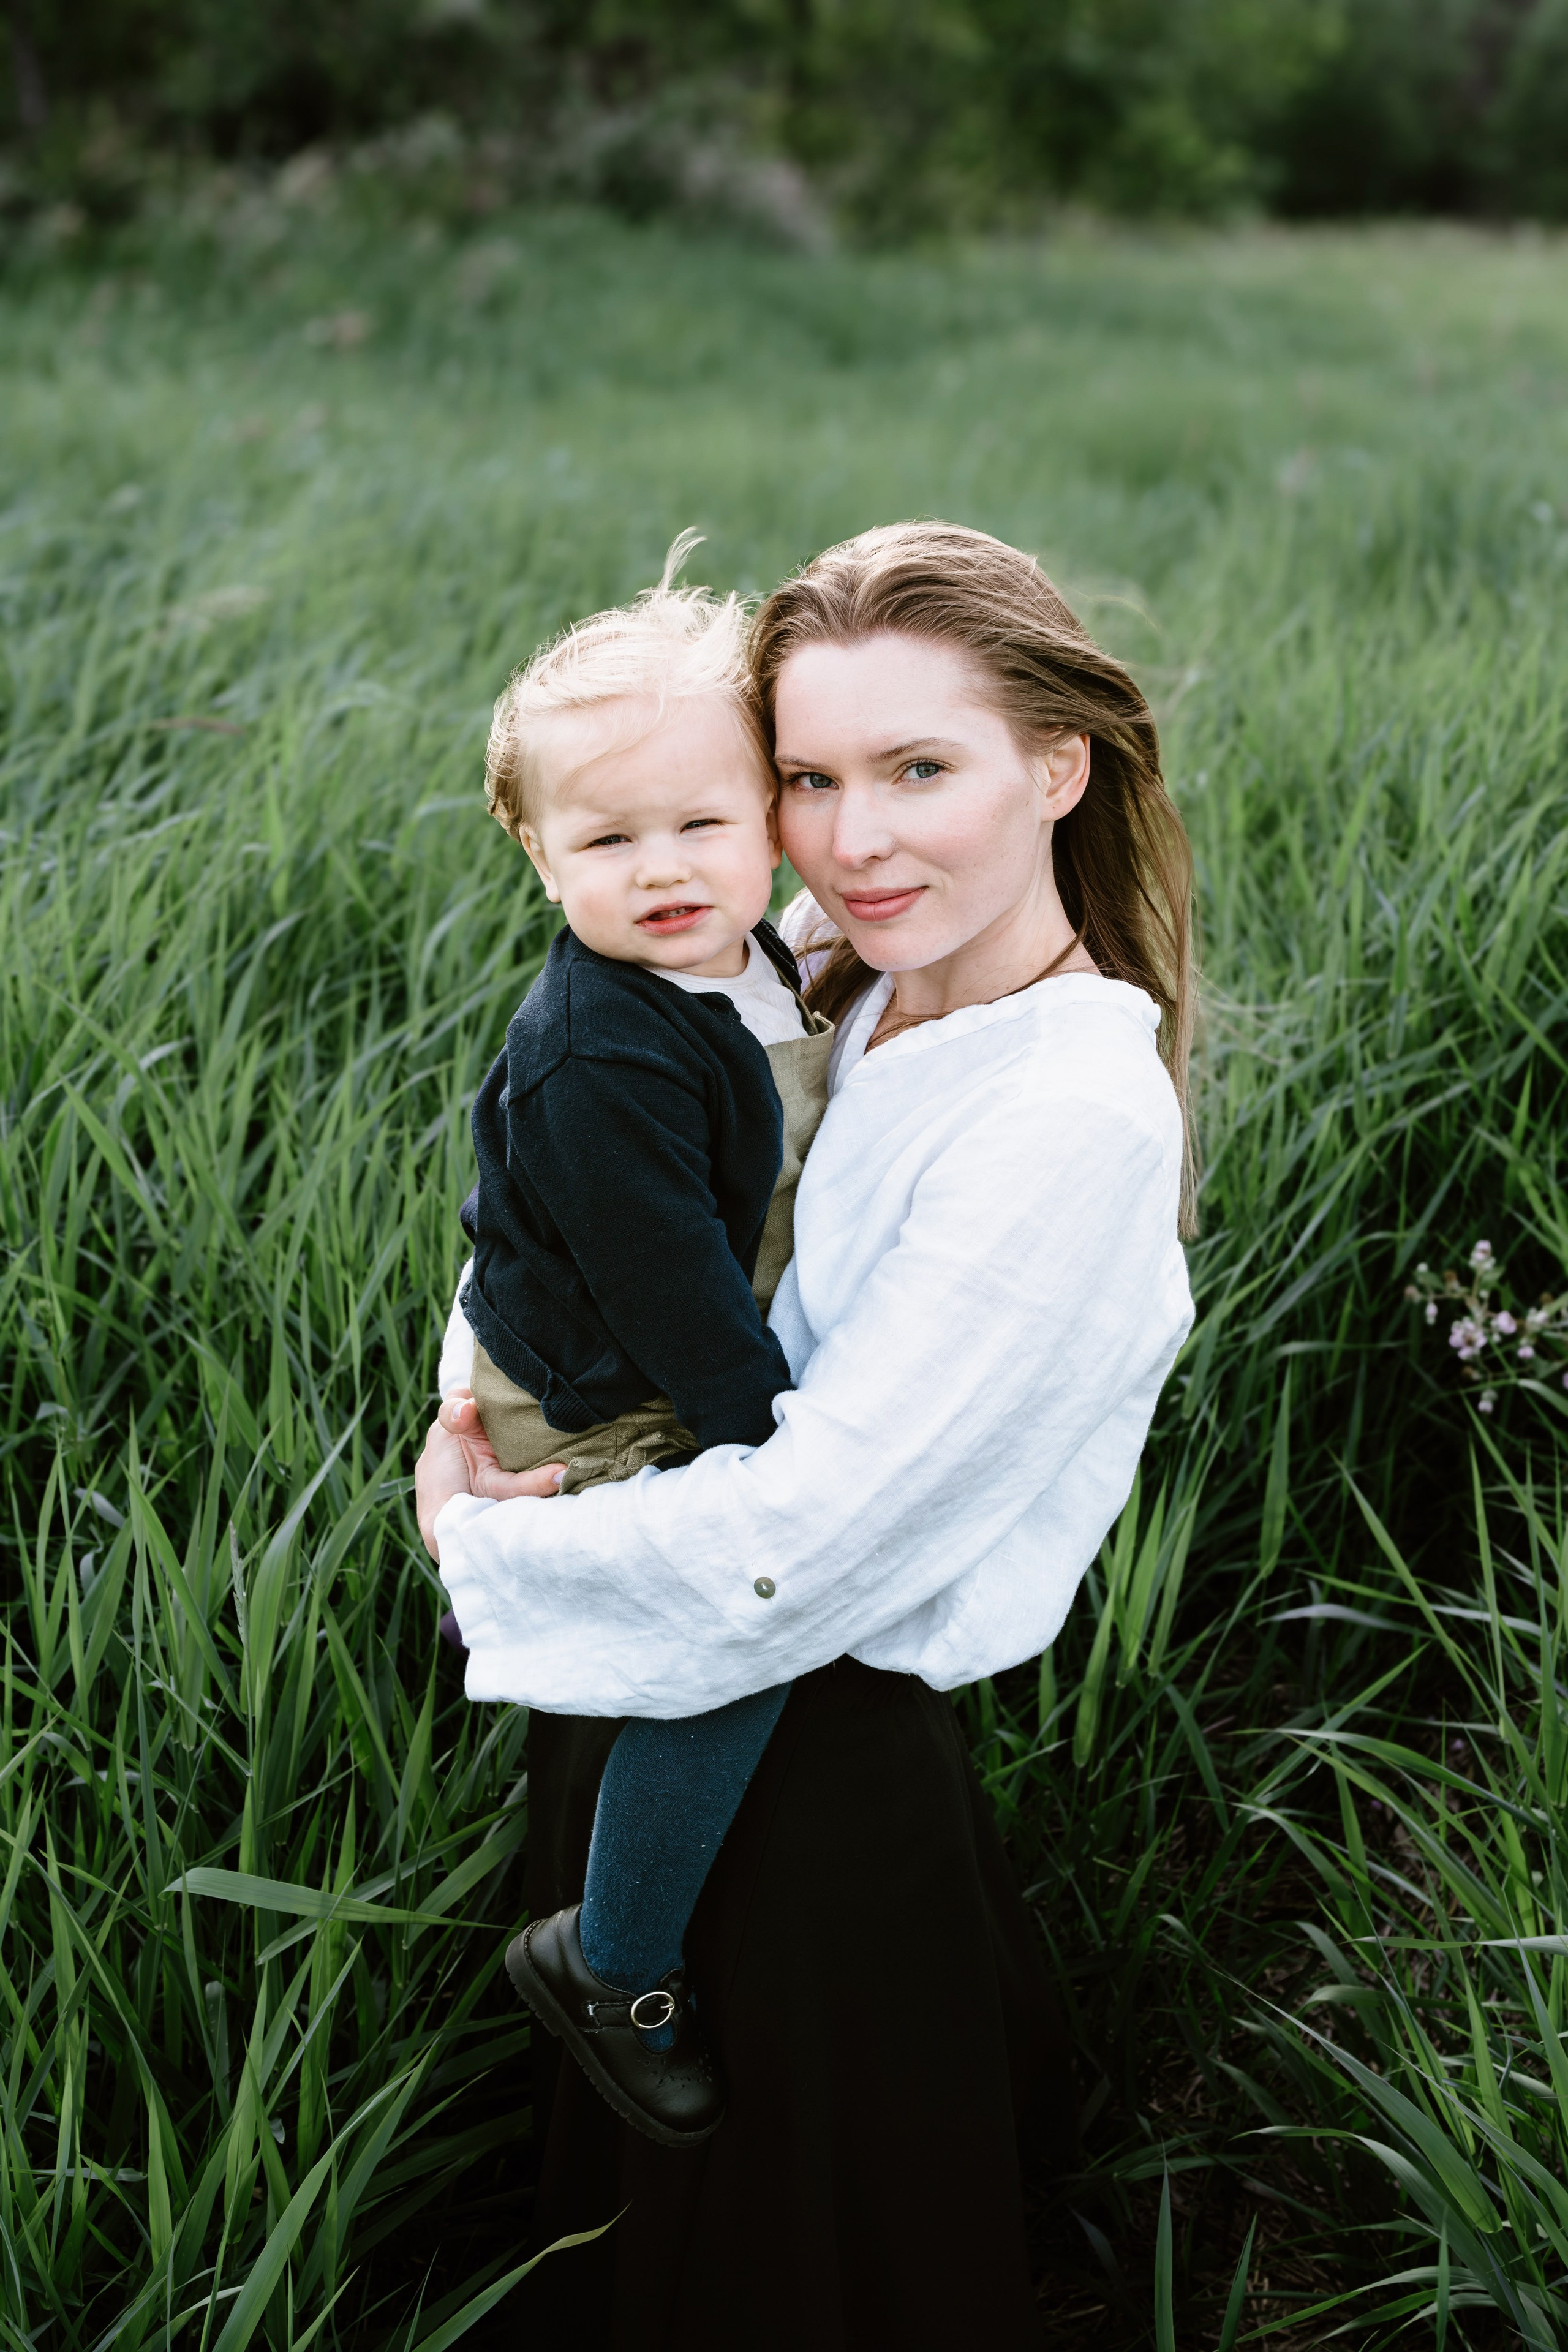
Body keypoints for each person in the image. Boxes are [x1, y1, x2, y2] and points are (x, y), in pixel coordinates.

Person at [418, 520, 1197, 2350]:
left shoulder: (1063, 1114)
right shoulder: (817, 966)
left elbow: (811, 1535)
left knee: (789, 2266)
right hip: (650, 1653)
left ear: (1058, 767)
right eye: (811, 779)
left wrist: (487, 1545)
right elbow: (581, 1202)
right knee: (635, 2256)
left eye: (921, 771)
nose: (856, 840)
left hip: (800, 1756)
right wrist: (469, 1407)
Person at [439, 535, 835, 2146]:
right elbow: (669, 1277)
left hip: (665, 1336)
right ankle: (615, 1959)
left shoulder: (740, 952)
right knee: (725, 1646)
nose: (664, 865)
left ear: (768, 826)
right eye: (608, 838)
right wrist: (767, 1440)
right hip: (605, 1393)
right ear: (539, 860)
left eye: (705, 824)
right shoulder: (602, 1053)